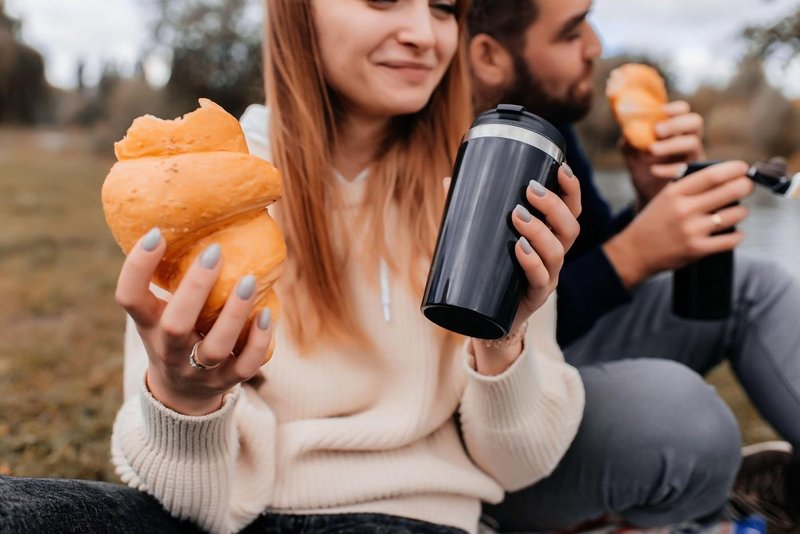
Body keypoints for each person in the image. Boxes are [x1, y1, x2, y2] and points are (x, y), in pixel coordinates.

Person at [0, 1, 586, 533]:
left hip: (411, 519)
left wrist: (504, 338)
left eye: (443, 9)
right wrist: (186, 401)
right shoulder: (208, 177)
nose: (421, 35)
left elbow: (519, 463)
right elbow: (191, 501)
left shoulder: (487, 184)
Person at [467, 0, 800, 530]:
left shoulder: (547, 118)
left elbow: (586, 258)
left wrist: (647, 203)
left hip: (561, 364)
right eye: (571, 32)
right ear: (488, 56)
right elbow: (471, 333)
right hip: (483, 434)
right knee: (683, 415)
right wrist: (632, 255)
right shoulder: (455, 145)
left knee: (756, 285)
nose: (596, 48)